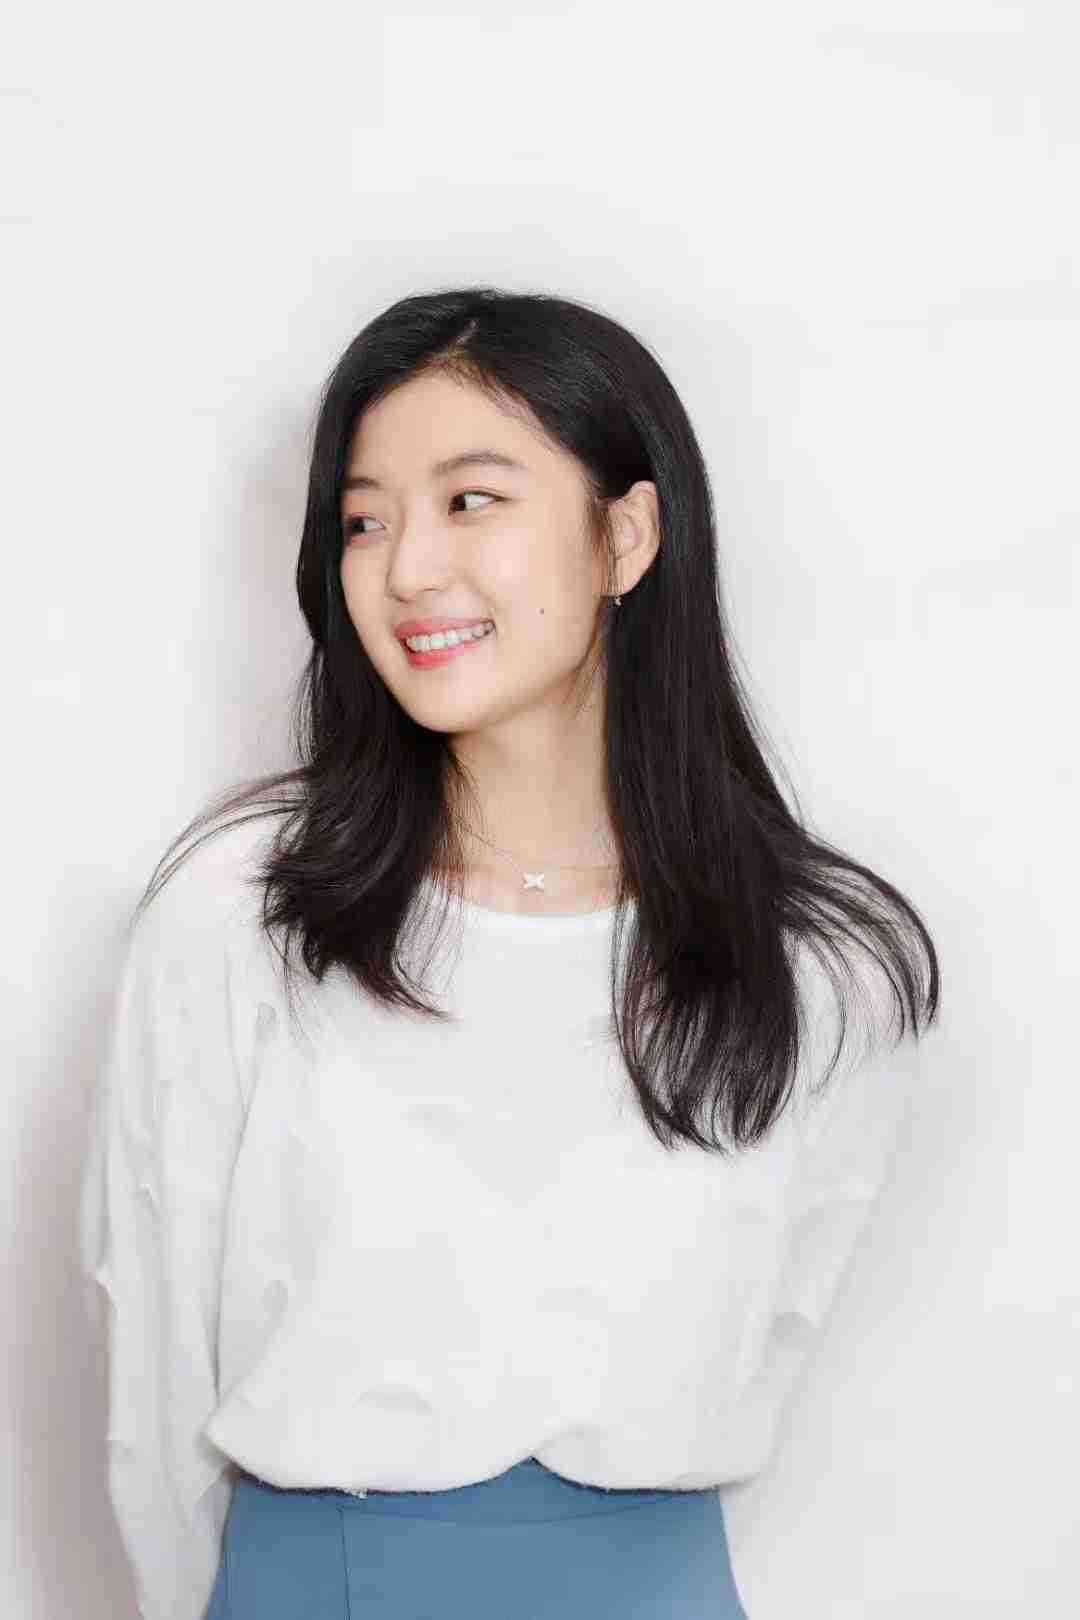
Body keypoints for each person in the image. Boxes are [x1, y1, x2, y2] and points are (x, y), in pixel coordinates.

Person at [78, 285, 941, 1620]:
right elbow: (151, 1364)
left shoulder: (822, 963)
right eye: (365, 520)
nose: (408, 569)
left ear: (626, 535)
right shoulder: (246, 911)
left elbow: (776, 1342)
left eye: (471, 500)